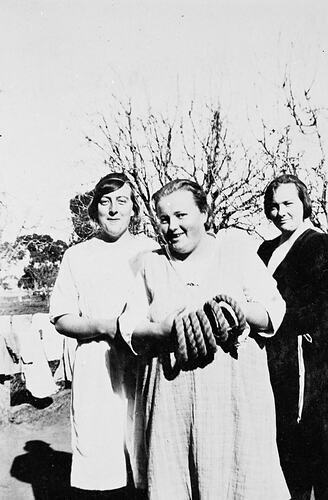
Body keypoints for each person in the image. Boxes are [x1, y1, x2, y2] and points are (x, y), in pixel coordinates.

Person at [125, 179, 290, 500]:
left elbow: (273, 310)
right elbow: (129, 328)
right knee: (175, 484)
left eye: (181, 215)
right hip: (172, 409)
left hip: (234, 403)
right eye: (163, 218)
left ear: (204, 212)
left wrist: (235, 309)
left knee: (237, 480)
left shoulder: (236, 253)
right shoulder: (150, 265)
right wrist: (166, 329)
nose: (172, 226)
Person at [49, 173, 157, 499]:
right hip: (96, 364)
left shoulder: (150, 251)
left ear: (134, 209)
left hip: (142, 363)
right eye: (105, 202)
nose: (112, 210)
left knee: (146, 453)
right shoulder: (78, 256)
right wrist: (104, 326)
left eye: (121, 201)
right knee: (100, 460)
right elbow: (62, 317)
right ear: (95, 209)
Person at [258, 174, 328, 500]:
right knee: (280, 452)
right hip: (271, 361)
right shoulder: (264, 249)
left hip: (308, 366)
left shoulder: (318, 244)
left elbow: (315, 309)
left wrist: (268, 321)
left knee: (308, 450)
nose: (280, 212)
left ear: (303, 203)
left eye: (288, 203)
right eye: (273, 206)